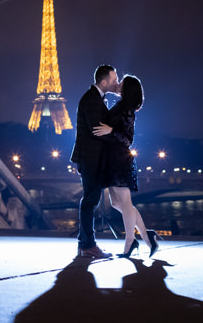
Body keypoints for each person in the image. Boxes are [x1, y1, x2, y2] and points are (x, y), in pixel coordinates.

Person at [93, 74, 159, 258]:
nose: (118, 84)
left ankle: (130, 242)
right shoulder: (120, 106)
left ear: (127, 88)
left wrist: (110, 131)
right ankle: (147, 235)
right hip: (112, 160)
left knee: (125, 203)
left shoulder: (127, 110)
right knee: (116, 203)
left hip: (120, 161)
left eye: (121, 83)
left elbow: (128, 139)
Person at [70, 64, 120, 259]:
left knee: (90, 199)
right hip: (91, 157)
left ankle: (85, 244)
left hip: (91, 157)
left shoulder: (95, 98)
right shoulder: (92, 100)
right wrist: (115, 132)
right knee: (91, 200)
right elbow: (97, 130)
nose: (116, 83)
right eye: (114, 80)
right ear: (104, 81)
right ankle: (88, 245)